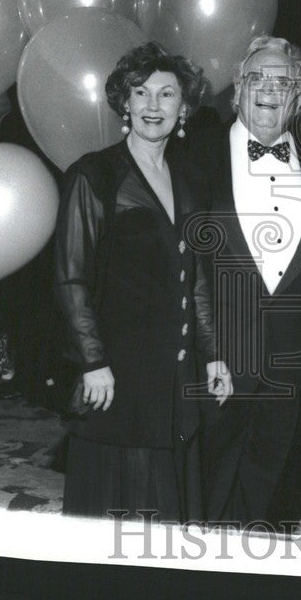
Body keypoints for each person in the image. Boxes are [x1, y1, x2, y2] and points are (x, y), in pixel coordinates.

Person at [54, 41, 231, 520]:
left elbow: (196, 279)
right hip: (117, 374)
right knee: (120, 504)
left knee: (167, 506)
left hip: (173, 374)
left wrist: (213, 355)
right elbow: (71, 278)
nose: (154, 106)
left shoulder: (191, 180)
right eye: (141, 93)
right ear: (124, 103)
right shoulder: (95, 176)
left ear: (185, 106)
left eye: (167, 94)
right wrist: (93, 362)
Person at [201, 35, 301, 527]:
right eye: (256, 78)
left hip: (291, 369)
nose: (268, 89)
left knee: (268, 503)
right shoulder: (197, 156)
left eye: (281, 81)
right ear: (237, 90)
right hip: (215, 363)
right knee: (200, 495)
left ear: (297, 97)